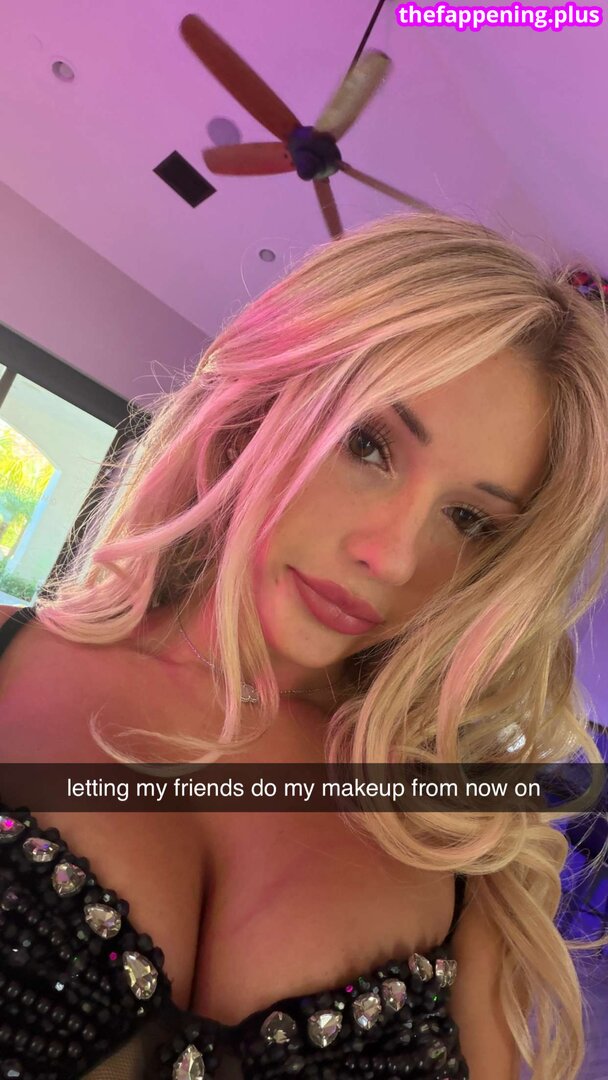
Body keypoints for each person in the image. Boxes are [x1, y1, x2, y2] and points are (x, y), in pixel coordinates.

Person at [0, 210, 607, 1080]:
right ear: (257, 409)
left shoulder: (456, 841)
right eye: (369, 444)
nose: (394, 557)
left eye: (468, 519)